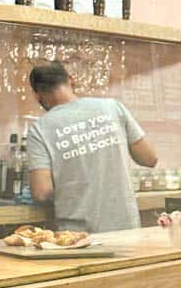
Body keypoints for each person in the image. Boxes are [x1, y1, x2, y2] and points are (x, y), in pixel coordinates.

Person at [25, 62, 157, 233]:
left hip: (77, 236)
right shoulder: (112, 107)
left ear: (37, 95)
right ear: (71, 80)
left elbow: (42, 192)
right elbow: (150, 158)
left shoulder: (39, 129)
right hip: (126, 228)